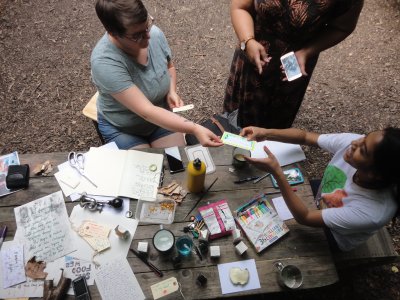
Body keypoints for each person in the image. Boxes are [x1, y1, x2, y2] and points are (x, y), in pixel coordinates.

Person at [241, 126, 400, 251]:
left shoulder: (371, 212)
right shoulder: (353, 144)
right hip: (324, 198)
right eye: (364, 137)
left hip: (334, 235)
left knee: (284, 240)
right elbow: (305, 136)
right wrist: (265, 132)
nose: (354, 143)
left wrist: (277, 172)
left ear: (376, 174)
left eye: (363, 150)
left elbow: (305, 217)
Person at [91, 0, 223, 149]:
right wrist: (194, 128)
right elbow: (147, 112)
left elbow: (169, 67)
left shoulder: (154, 33)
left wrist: (171, 90)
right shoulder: (104, 63)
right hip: (123, 128)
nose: (148, 36)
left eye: (148, 25)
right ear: (113, 33)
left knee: (175, 164)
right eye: (137, 35)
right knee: (148, 170)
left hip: (160, 114)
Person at [224, 0, 364, 129]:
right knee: (235, 117)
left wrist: (307, 52)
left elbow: (342, 27)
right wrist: (247, 40)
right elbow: (240, 7)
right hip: (253, 49)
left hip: (296, 59)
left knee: (276, 121)